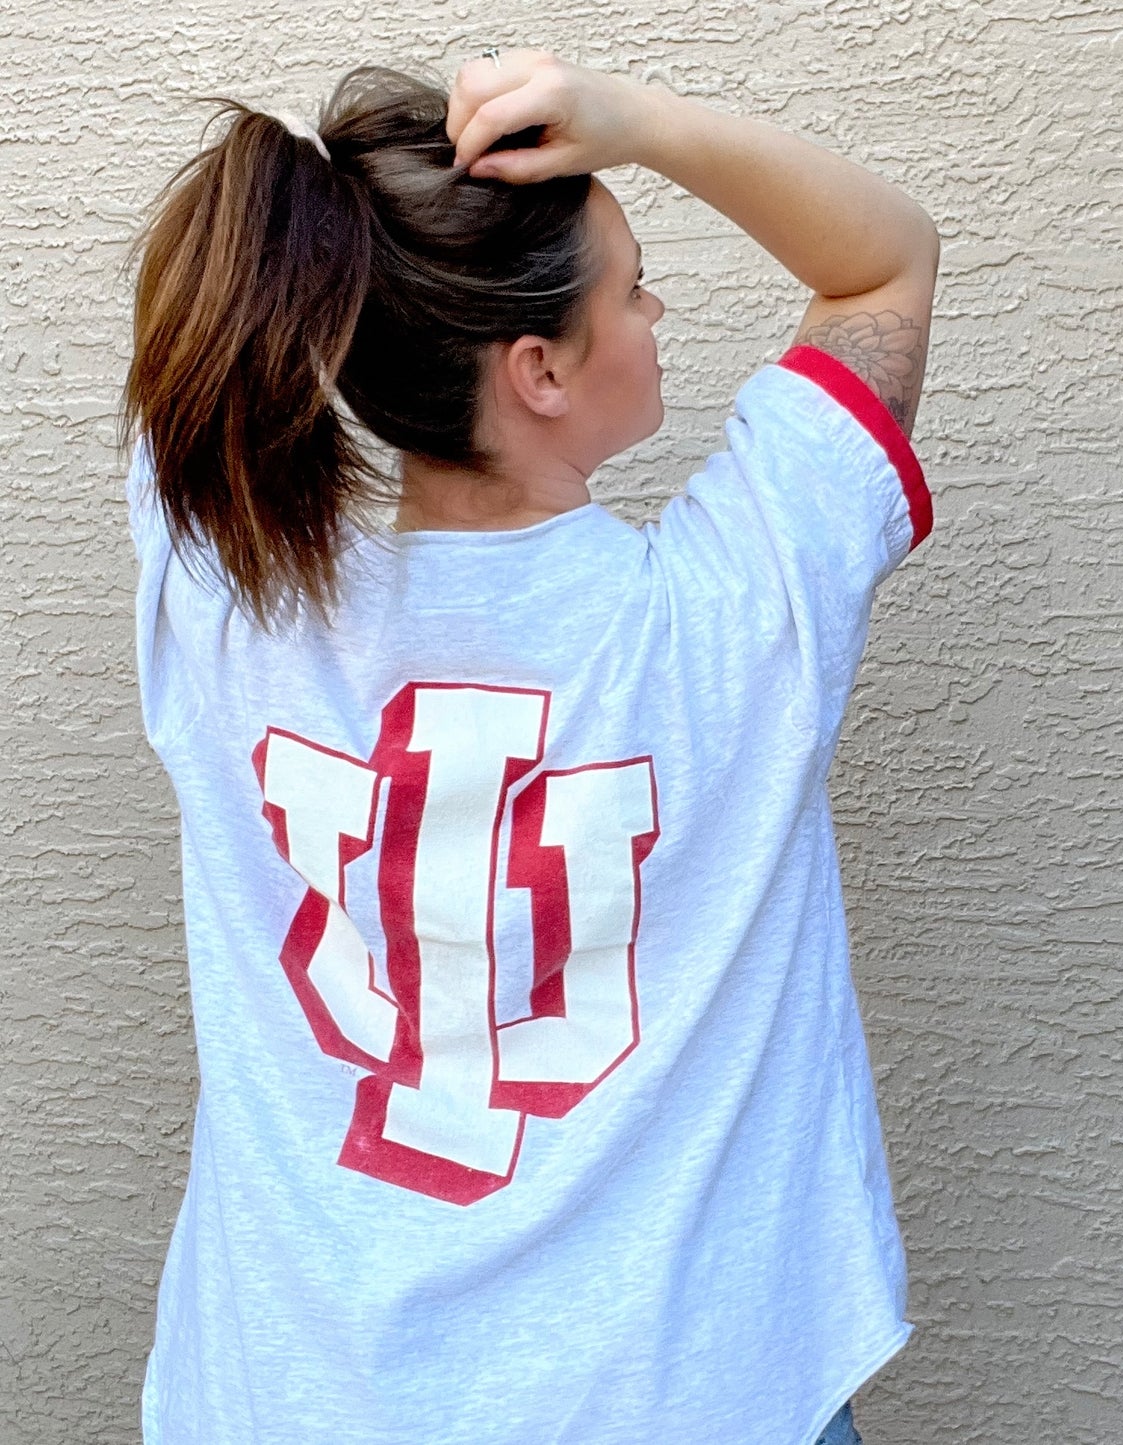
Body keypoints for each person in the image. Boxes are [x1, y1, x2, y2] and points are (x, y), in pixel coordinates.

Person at [119, 45, 939, 1445]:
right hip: (695, 1399)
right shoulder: (738, 610)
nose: (658, 309)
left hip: (294, 1399)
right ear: (539, 371)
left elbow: (191, 376)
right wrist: (643, 122)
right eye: (632, 288)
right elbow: (884, 265)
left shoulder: (223, 602)